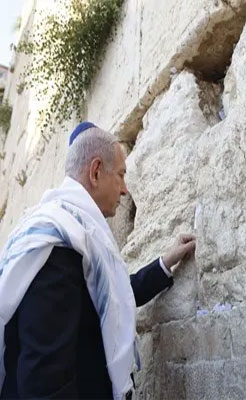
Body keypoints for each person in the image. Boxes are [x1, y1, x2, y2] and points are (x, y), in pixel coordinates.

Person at [0, 122, 196, 399]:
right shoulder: (57, 244)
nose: (125, 190)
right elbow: (45, 379)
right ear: (95, 172)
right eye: (121, 175)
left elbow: (112, 295)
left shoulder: (73, 234)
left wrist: (164, 262)